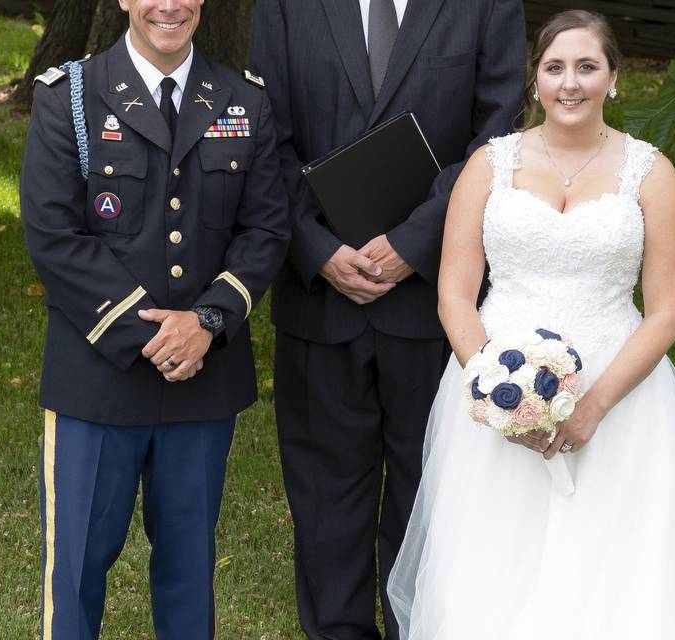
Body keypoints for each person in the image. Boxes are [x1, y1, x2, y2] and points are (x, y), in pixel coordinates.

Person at [387, 10, 675, 639]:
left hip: (621, 393)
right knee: (494, 553)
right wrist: (497, 391)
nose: (569, 83)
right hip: (495, 381)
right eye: (554, 68)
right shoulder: (487, 168)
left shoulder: (650, 174)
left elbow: (666, 311)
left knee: (617, 559)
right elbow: (455, 295)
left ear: (613, 78)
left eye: (586, 67)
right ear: (535, 80)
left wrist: (593, 406)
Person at [248, 1, 526, 637]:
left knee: (428, 502)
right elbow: (265, 133)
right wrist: (315, 250)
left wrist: (415, 242)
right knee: (326, 508)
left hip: (435, 306)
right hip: (320, 301)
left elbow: (498, 133)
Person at [19, 0, 289, 637]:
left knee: (189, 574)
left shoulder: (244, 101)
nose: (167, 6)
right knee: (77, 571)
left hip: (202, 383)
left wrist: (207, 322)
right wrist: (159, 335)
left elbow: (265, 227)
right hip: (96, 383)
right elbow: (54, 235)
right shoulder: (72, 97)